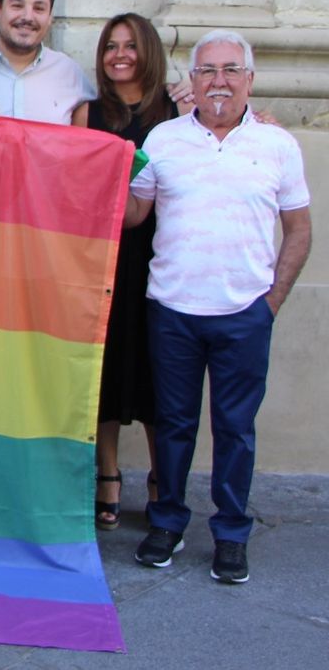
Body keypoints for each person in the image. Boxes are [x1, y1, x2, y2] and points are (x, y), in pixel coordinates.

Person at [126, 31, 312, 584]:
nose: (219, 81)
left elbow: (299, 231)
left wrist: (269, 302)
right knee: (175, 425)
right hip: (173, 309)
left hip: (243, 314)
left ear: (250, 80)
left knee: (235, 428)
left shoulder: (278, 145)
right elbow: (135, 215)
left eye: (231, 70)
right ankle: (167, 524)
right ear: (193, 80)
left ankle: (231, 532)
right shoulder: (162, 139)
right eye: (207, 71)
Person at [70, 13, 175, 530]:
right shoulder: (87, 113)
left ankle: (164, 478)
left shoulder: (177, 111)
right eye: (110, 46)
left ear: (147, 51)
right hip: (106, 254)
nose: (119, 55)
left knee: (158, 373)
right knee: (106, 369)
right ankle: (107, 474)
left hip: (163, 256)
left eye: (130, 45)